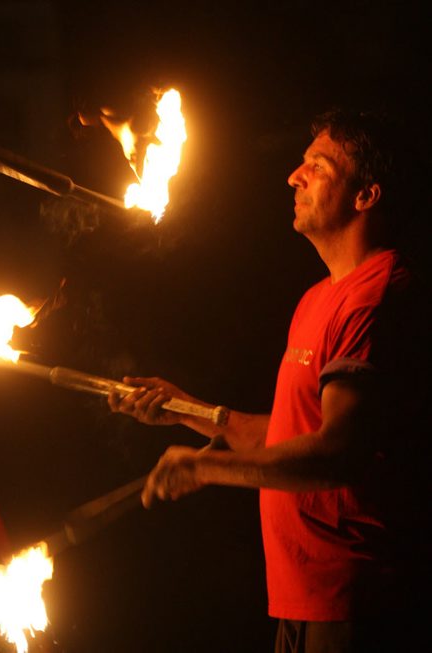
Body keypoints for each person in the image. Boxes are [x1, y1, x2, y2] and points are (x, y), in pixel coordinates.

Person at [108, 109, 430, 652]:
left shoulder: (377, 297)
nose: (293, 177)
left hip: (355, 602)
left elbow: (337, 453)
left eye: (317, 167)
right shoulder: (318, 298)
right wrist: (187, 410)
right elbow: (290, 433)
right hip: (300, 601)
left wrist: (206, 465)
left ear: (365, 195)